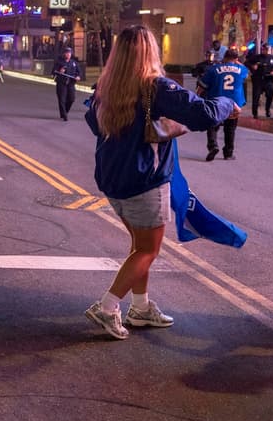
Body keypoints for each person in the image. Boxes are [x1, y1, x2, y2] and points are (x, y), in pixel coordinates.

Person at [83, 26, 237, 339]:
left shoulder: (106, 86)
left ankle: (140, 308)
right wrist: (227, 103)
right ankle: (108, 307)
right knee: (148, 251)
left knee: (139, 245)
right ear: (150, 52)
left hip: (113, 181)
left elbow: (93, 123)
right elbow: (204, 114)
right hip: (145, 182)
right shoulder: (156, 87)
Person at [199, 48, 248, 160]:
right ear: (236, 59)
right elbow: (246, 73)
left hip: (217, 102)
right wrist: (236, 62)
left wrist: (197, 97)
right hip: (234, 104)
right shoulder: (242, 69)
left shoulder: (214, 69)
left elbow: (203, 86)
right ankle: (228, 153)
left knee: (212, 125)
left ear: (224, 57)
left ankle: (213, 146)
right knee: (230, 128)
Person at [245, 42, 273, 119]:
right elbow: (246, 62)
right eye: (263, 49)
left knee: (270, 94)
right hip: (258, 79)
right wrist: (252, 66)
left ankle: (267, 110)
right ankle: (255, 113)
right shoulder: (257, 57)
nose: (265, 51)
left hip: (268, 79)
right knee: (256, 97)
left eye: (267, 49)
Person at [52, 45, 82, 121]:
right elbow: (53, 72)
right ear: (64, 54)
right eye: (67, 53)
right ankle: (64, 115)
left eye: (69, 53)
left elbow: (79, 72)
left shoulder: (74, 63)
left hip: (71, 83)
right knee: (62, 99)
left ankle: (65, 111)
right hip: (61, 83)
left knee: (71, 99)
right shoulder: (59, 62)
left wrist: (78, 76)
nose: (68, 54)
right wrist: (60, 71)